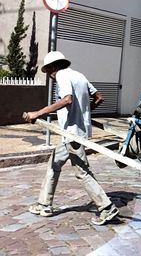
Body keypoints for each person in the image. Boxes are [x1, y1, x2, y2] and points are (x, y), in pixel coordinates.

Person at [24, 51, 119, 225]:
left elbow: (67, 99)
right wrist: (84, 113)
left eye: (48, 71)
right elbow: (99, 98)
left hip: (72, 133)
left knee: (82, 172)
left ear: (53, 67)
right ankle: (44, 204)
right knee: (54, 163)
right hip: (72, 132)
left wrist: (38, 113)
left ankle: (106, 207)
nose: (49, 75)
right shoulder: (79, 75)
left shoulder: (61, 76)